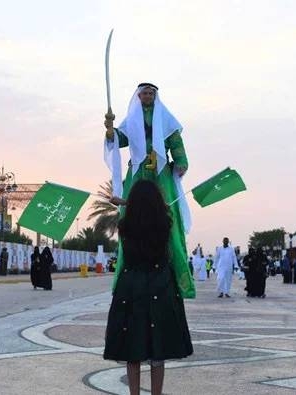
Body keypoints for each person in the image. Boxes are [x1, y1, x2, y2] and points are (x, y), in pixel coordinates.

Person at [104, 82, 195, 300]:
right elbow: (119, 139)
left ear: (155, 95)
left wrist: (181, 161)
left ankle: (177, 277)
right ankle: (126, 274)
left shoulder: (165, 118)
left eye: (151, 93)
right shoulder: (133, 119)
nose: (147, 96)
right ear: (138, 96)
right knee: (130, 213)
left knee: (168, 214)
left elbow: (175, 141)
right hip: (138, 171)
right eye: (144, 93)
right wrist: (109, 129)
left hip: (161, 171)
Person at [103, 180, 193, 395]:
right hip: (160, 284)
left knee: (132, 349)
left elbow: (138, 210)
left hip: (131, 285)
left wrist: (125, 202)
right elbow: (161, 210)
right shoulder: (164, 223)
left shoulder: (125, 226)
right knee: (158, 351)